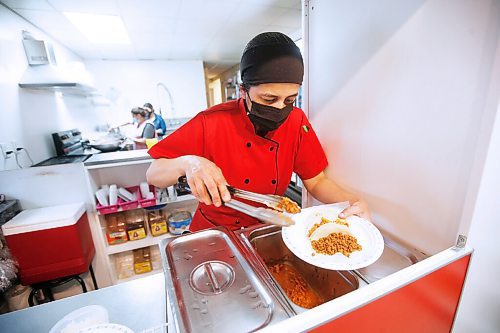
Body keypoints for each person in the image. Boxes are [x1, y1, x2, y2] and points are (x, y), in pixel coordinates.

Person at [146, 32, 370, 232]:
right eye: (269, 99)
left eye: (289, 100)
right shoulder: (212, 121)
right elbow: (154, 174)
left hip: (267, 228)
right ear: (244, 91)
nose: (280, 108)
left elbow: (317, 181)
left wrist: (350, 202)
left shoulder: (296, 120)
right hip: (215, 232)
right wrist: (188, 163)